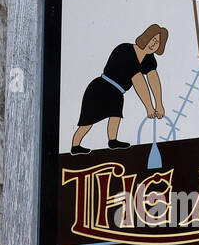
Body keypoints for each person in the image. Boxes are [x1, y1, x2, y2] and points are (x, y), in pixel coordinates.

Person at [72, 25, 168, 153]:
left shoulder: (149, 58)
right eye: (153, 39)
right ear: (146, 37)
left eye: (158, 42)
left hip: (117, 92)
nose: (154, 44)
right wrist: (149, 107)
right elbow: (138, 80)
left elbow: (153, 78)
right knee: (88, 121)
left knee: (115, 116)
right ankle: (75, 145)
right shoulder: (126, 50)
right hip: (100, 88)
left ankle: (113, 141)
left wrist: (159, 104)